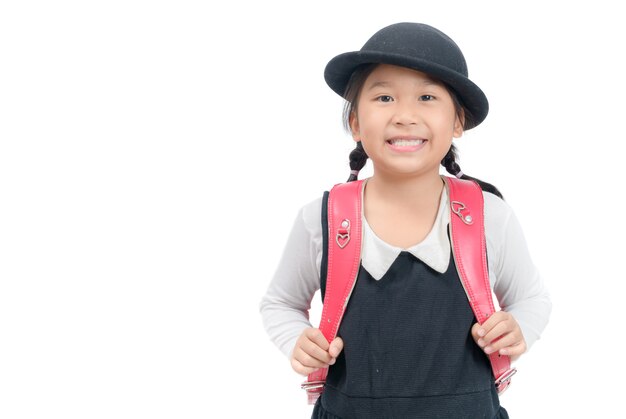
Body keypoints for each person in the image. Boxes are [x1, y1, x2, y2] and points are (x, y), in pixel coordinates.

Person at [260, 22, 551, 418]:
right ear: (356, 124)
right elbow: (279, 302)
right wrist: (298, 340)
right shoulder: (323, 219)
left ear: (457, 122)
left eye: (427, 96)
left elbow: (532, 298)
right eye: (383, 97)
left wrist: (517, 329)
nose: (405, 115)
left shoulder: (489, 216)